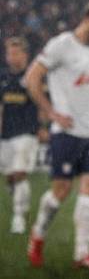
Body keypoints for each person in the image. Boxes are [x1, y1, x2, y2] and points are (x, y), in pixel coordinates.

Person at [24, 1, 89, 270]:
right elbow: (32, 78)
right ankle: (38, 235)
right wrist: (51, 113)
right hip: (67, 132)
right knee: (61, 192)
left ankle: (82, 255)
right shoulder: (61, 45)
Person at [0, 36, 40, 234]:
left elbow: (42, 101)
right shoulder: (3, 77)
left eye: (16, 53)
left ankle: (18, 218)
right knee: (10, 176)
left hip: (27, 132)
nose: (12, 57)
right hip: (6, 134)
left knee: (19, 172)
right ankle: (21, 203)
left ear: (25, 55)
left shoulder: (33, 76)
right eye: (9, 53)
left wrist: (43, 126)